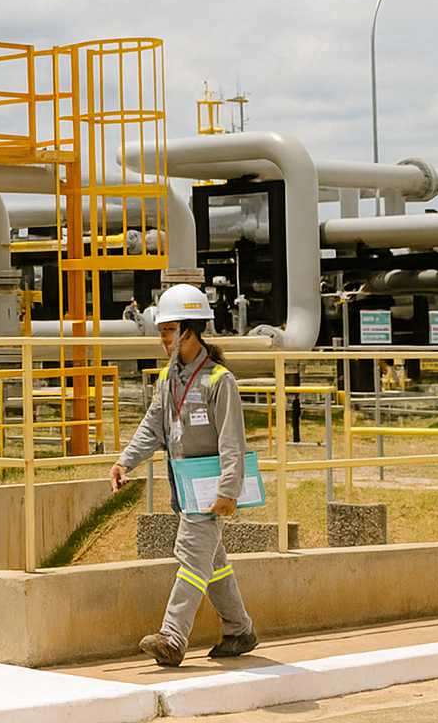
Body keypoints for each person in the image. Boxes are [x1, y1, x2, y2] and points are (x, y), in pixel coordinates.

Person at [111, 283, 257, 667]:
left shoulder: (218, 381)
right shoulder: (168, 379)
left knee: (192, 558)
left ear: (190, 330)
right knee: (214, 564)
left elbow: (232, 442)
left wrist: (228, 491)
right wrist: (126, 461)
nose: (162, 338)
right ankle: (239, 630)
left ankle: (173, 637)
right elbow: (152, 427)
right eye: (161, 331)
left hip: (210, 490)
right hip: (185, 488)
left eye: (168, 330)